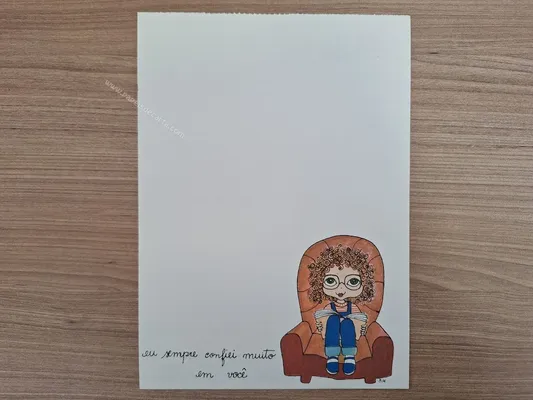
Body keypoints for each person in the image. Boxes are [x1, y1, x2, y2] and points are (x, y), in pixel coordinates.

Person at [308, 244, 375, 375]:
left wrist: (360, 326)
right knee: (333, 319)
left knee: (347, 323)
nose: (341, 289)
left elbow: (358, 324)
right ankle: (332, 356)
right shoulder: (329, 307)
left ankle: (349, 356)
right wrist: (321, 325)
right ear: (320, 281)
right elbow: (323, 324)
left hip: (348, 336)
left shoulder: (353, 307)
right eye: (331, 281)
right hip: (332, 336)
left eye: (353, 282)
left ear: (364, 283)